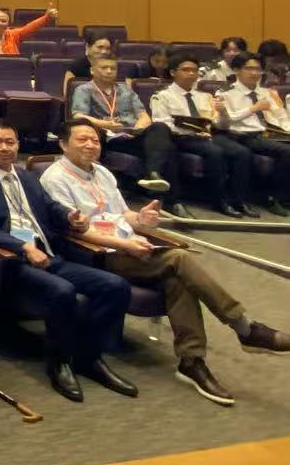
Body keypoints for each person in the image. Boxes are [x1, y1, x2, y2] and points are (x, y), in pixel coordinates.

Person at [42, 121, 289, 405]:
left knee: (178, 280)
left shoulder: (103, 173)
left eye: (95, 140)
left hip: (129, 245)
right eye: (82, 139)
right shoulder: (55, 178)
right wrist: (126, 244)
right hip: (96, 253)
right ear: (64, 144)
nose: (90, 145)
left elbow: (123, 214)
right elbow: (73, 230)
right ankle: (245, 327)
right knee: (178, 258)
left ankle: (192, 361)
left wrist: (141, 219)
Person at [0, 123, 134, 402]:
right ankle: (60, 362)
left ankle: (88, 356)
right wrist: (22, 247)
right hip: (9, 261)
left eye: (10, 142)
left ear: (18, 145)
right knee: (63, 291)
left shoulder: (26, 177)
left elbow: (50, 208)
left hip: (48, 254)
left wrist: (70, 217)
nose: (4, 148)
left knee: (115, 286)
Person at [151, 52, 258, 218]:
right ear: (173, 72)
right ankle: (218, 200)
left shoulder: (205, 96)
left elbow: (220, 125)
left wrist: (223, 113)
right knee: (215, 152)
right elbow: (162, 123)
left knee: (242, 152)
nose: (191, 74)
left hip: (207, 135)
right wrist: (191, 129)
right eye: (186, 70)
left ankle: (240, 200)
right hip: (180, 137)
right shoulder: (162, 96)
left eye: (194, 70)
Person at [70, 54, 176, 201]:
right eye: (104, 68)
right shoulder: (84, 90)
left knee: (160, 128)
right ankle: (168, 198)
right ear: (92, 70)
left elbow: (143, 115)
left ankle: (153, 175)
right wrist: (104, 124)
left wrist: (140, 126)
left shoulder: (126, 90)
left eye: (112, 68)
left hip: (130, 136)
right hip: (105, 139)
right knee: (168, 149)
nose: (109, 71)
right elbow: (79, 116)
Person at [220, 54, 290, 216]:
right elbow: (226, 120)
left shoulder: (269, 93)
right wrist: (253, 108)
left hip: (272, 134)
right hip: (243, 135)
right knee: (286, 151)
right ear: (236, 70)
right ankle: (273, 197)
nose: (254, 73)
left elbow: (282, 117)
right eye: (249, 68)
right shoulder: (226, 93)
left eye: (258, 69)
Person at [0, 5, 58, 72]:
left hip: (12, 73)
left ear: (8, 24)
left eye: (3, 21)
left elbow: (29, 28)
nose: (0, 23)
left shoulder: (12, 35)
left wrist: (47, 17)